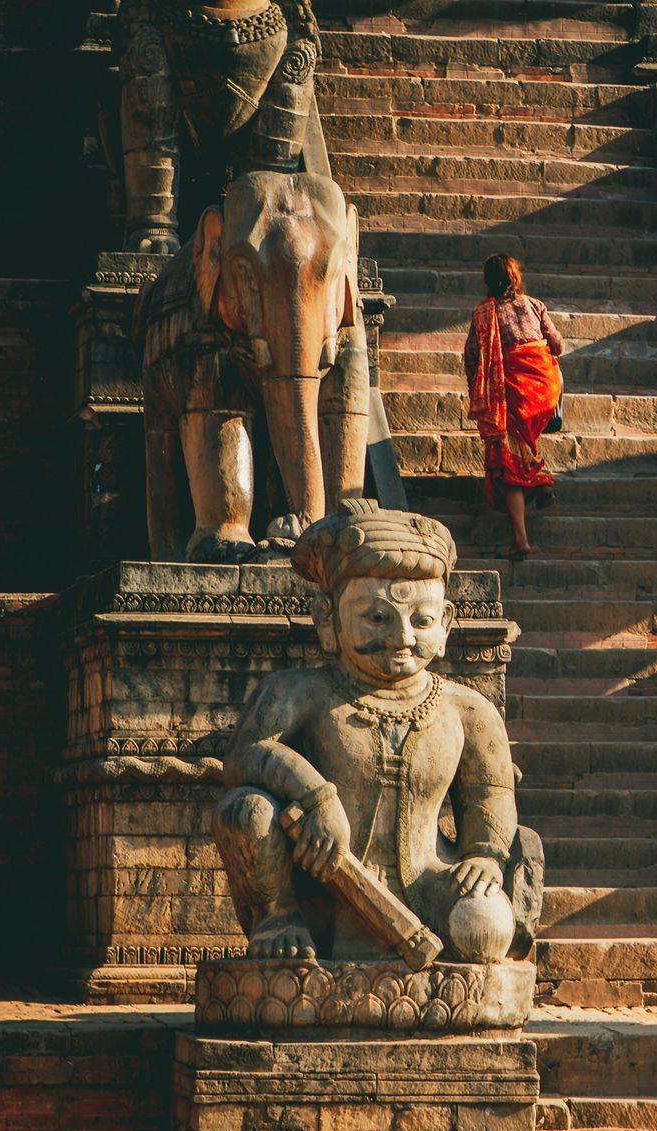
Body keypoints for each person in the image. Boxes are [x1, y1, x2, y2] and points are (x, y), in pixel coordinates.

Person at [212, 500, 543, 964]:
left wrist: (484, 855)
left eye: (422, 621)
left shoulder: (466, 709)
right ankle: (278, 920)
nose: (402, 637)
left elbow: (490, 795)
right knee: (245, 809)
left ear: (445, 623)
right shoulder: (299, 692)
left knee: (486, 926)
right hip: (322, 885)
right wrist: (315, 798)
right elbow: (245, 755)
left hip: (430, 879)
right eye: (377, 618)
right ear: (327, 618)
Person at [464, 252, 561, 559]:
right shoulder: (535, 304)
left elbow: (471, 358)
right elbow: (558, 345)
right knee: (523, 441)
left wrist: (482, 389)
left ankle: (521, 540)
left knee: (509, 464)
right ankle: (542, 482)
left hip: (513, 389)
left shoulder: (484, 313)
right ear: (515, 277)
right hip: (545, 386)